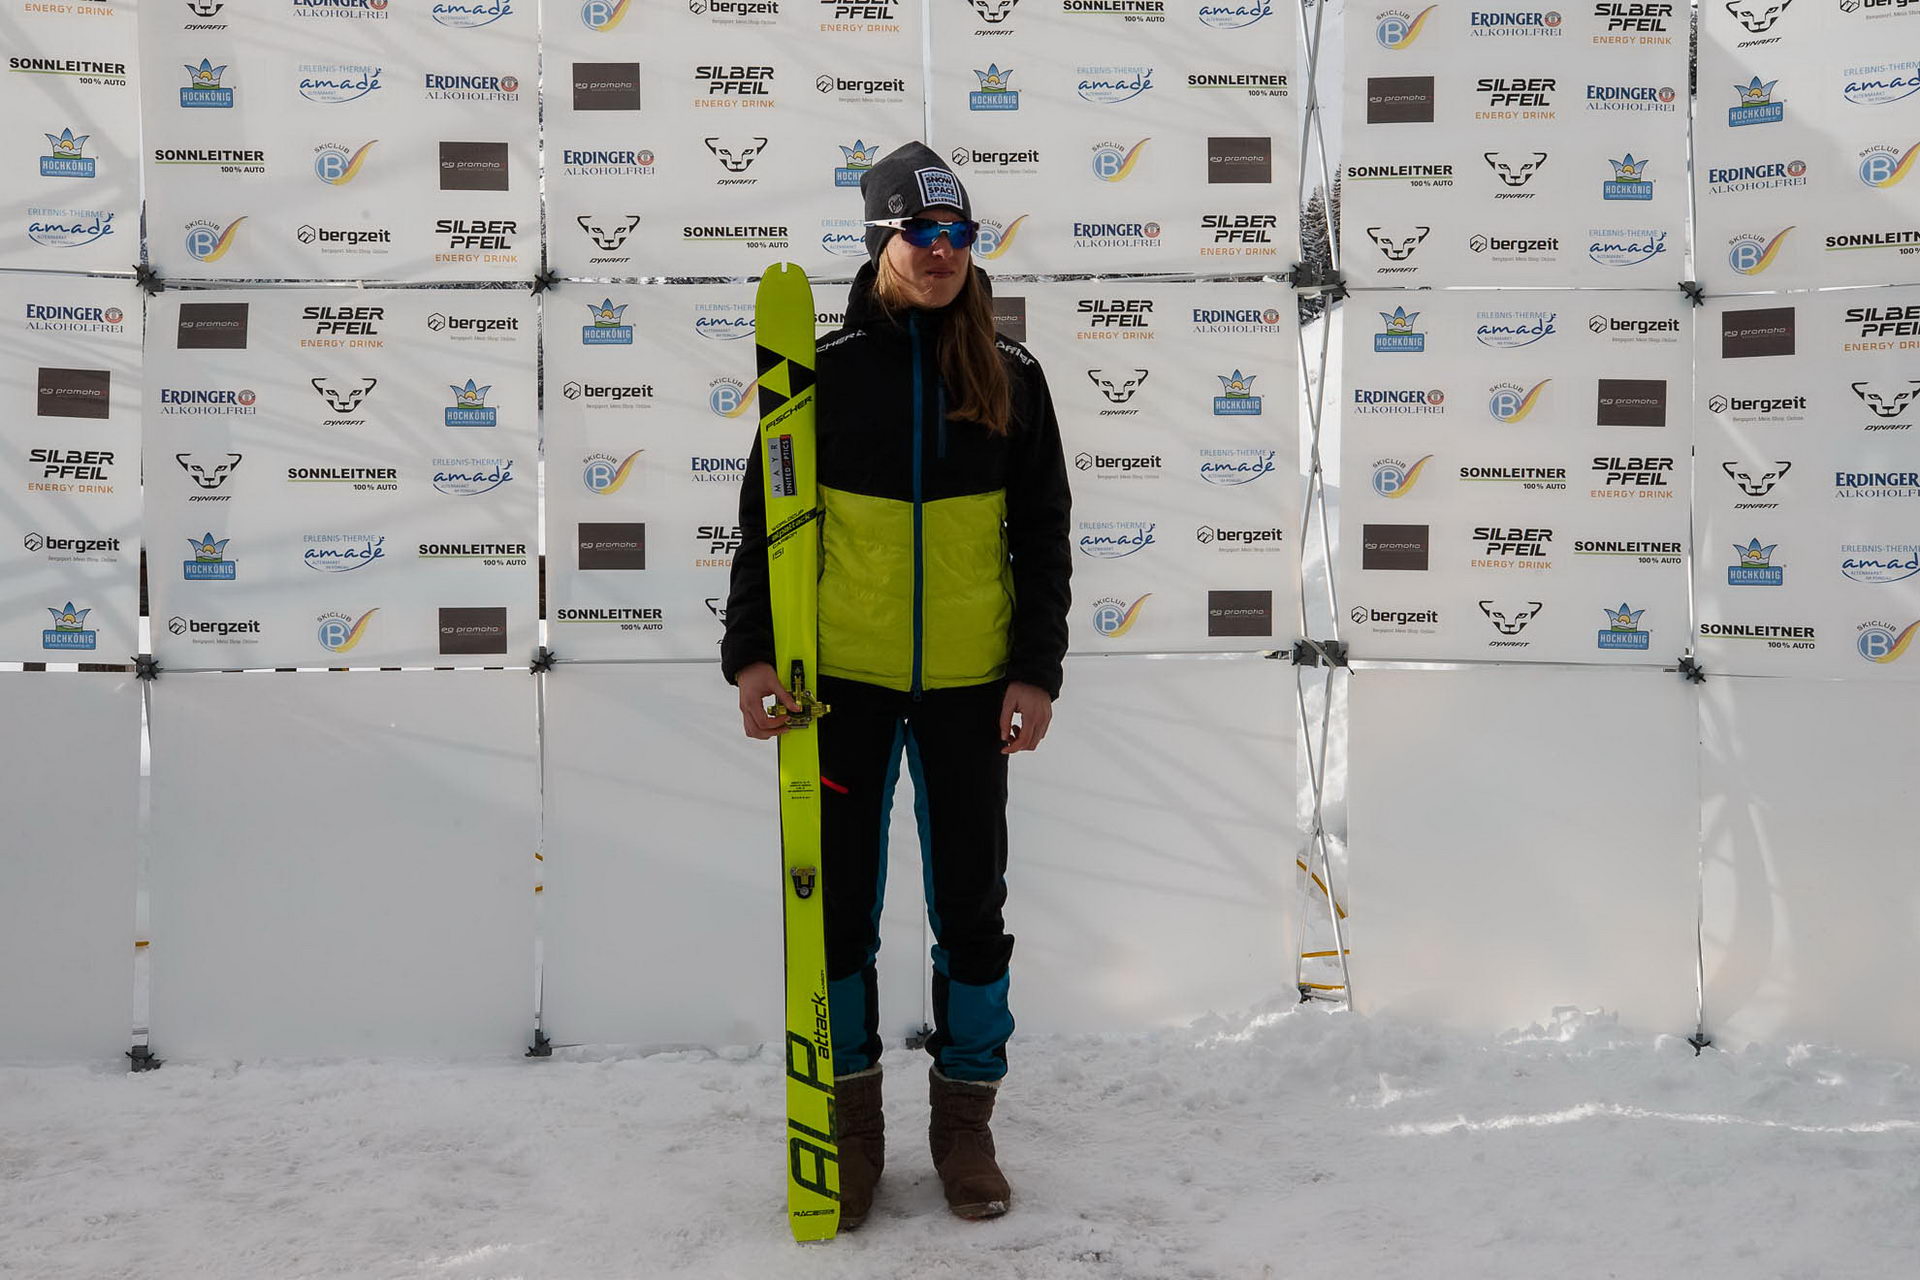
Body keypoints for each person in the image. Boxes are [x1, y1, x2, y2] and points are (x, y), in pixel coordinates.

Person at [722, 141, 1072, 1227]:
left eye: (961, 234)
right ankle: (853, 1124)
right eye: (921, 233)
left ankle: (965, 1125)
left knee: (973, 908)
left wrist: (1036, 670)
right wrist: (754, 655)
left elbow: (1046, 538)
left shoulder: (1010, 378)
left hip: (972, 686)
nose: (943, 253)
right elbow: (760, 532)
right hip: (845, 689)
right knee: (838, 920)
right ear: (881, 241)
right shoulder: (821, 376)